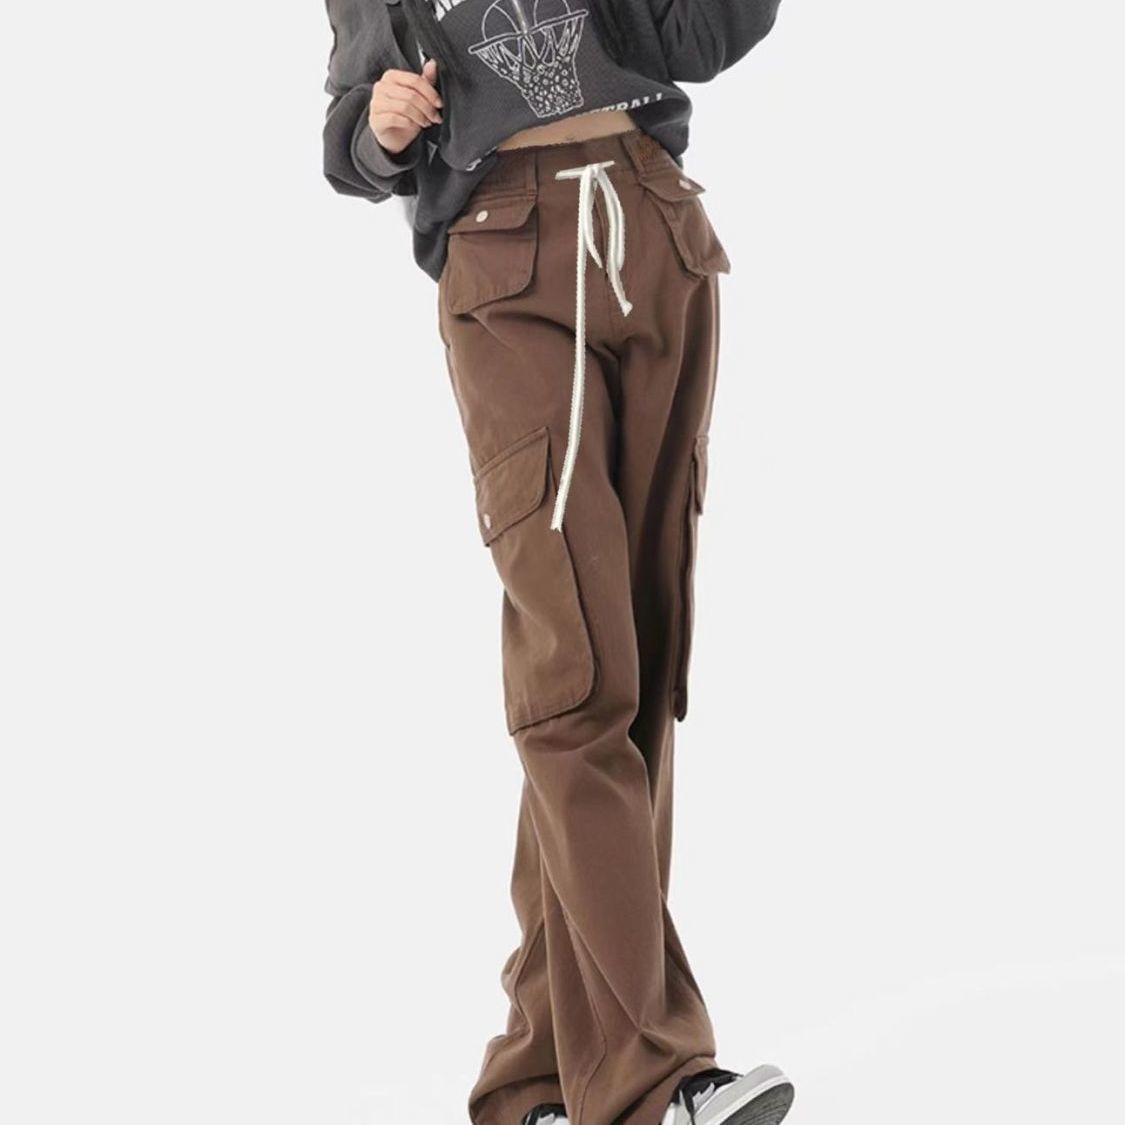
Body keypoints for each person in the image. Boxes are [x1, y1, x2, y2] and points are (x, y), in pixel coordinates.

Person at [321, 3, 793, 1124]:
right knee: (574, 676)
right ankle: (653, 1079)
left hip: (655, 229)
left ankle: (532, 1077)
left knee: (640, 665)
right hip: (507, 258)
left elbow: (700, 37)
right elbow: (349, 138)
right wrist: (380, 130)